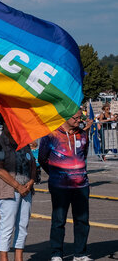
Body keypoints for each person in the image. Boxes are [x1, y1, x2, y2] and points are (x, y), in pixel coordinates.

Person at [39, 110, 92, 261]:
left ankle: (80, 254)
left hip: (81, 185)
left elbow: (84, 154)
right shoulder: (51, 134)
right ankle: (56, 254)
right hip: (59, 186)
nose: (79, 120)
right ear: (66, 117)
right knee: (59, 220)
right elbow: (43, 158)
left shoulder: (82, 135)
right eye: (76, 118)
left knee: (82, 220)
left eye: (80, 117)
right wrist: (56, 174)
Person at [0, 113, 36, 261]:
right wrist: (18, 186)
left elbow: (32, 161)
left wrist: (31, 180)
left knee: (23, 225)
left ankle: (19, 257)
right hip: (9, 190)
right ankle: (4, 257)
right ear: (4, 124)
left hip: (26, 189)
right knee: (8, 227)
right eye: (11, 123)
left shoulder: (22, 141)